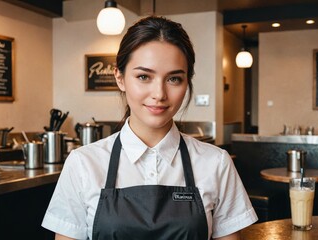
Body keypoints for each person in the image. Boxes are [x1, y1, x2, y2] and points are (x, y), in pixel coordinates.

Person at [42, 15, 258, 240]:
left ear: (187, 82)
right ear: (120, 78)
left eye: (173, 79)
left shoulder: (216, 162)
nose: (159, 94)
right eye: (144, 76)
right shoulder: (83, 163)